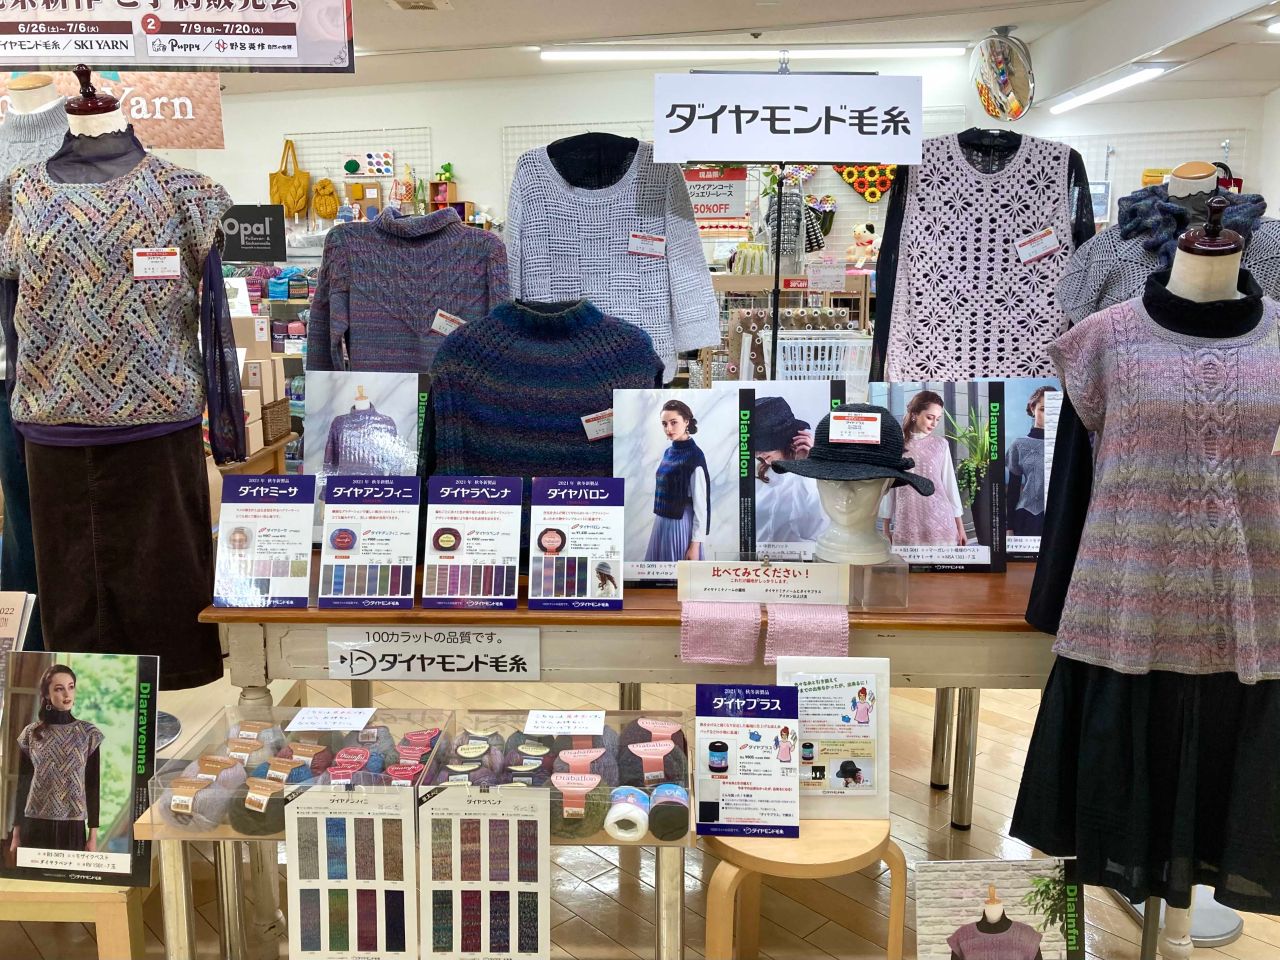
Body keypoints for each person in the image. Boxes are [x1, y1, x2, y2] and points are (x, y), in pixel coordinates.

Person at [10, 664, 103, 853]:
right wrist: (16, 834)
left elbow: (93, 786)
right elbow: (23, 785)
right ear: (47, 694)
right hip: (35, 825)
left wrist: (92, 836)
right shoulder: (31, 734)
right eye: (59, 689)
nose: (67, 694)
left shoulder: (88, 733)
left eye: (71, 687)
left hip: (72, 826)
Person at [882, 390, 967, 546]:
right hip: (908, 523)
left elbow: (949, 486)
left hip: (941, 523)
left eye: (938, 419)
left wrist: (960, 528)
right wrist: (886, 528)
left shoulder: (941, 445)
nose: (934, 424)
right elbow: (889, 488)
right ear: (915, 415)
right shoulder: (896, 445)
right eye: (930, 417)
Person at [752, 396, 826, 546]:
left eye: (764, 446)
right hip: (759, 558)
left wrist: (806, 467)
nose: (759, 454)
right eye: (756, 449)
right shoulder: (760, 473)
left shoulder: (817, 477)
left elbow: (813, 530)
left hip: (802, 558)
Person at [644, 400, 711, 562]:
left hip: (679, 525)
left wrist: (695, 546)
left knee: (677, 574)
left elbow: (701, 506)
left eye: (674, 422)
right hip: (661, 523)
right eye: (664, 424)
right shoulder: (669, 452)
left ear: (686, 421)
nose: (668, 428)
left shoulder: (694, 456)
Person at [1006, 385, 1057, 538]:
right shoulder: (1019, 445)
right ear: (1032, 408)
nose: (1048, 416)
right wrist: (1009, 527)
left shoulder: (1065, 445)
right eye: (1043, 409)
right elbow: (1013, 490)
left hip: (1058, 517)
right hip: (1027, 517)